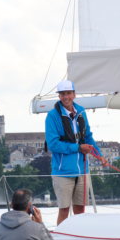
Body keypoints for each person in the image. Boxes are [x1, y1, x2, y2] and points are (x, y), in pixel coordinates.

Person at [46, 80, 108, 225]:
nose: (65, 97)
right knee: (64, 210)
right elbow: (53, 145)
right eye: (62, 94)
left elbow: (88, 137)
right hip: (62, 172)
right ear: (59, 96)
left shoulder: (81, 111)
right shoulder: (52, 116)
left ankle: (78, 239)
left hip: (82, 171)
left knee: (80, 209)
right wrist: (78, 148)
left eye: (68, 93)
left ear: (74, 94)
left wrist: (99, 156)